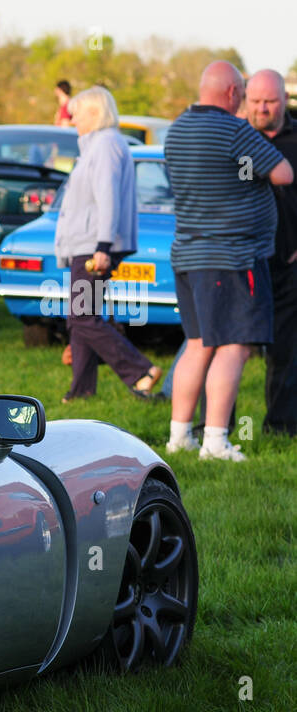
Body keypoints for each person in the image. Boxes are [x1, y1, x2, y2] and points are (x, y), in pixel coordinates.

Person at [163, 61, 293, 461]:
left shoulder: (176, 130)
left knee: (198, 344)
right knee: (232, 347)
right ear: (234, 93)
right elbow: (284, 174)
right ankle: (216, 441)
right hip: (231, 258)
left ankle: (178, 436)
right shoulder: (236, 131)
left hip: (187, 252)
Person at [53, 86, 161, 402]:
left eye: (77, 114)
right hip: (88, 244)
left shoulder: (105, 145)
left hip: (94, 246)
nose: (72, 121)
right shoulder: (97, 146)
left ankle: (140, 371)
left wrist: (103, 246)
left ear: (95, 113)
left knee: (82, 316)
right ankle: (81, 392)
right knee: (81, 317)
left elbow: (108, 197)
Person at [245, 69, 297, 436]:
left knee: (286, 350)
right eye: (256, 101)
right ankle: (211, 428)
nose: (262, 108)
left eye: (270, 101)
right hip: (242, 261)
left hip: (290, 262)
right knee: (224, 347)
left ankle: (279, 427)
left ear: (284, 100)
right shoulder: (236, 138)